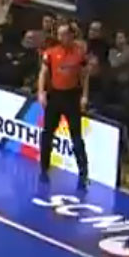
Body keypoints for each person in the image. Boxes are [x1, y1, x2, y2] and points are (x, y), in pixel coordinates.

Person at [36, 23, 90, 190]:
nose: (60, 37)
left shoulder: (79, 53)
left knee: (76, 136)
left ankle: (83, 172)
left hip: (71, 97)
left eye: (64, 34)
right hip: (55, 96)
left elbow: (84, 75)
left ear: (70, 35)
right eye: (59, 34)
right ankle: (44, 168)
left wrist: (84, 96)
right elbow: (43, 73)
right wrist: (41, 92)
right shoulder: (51, 52)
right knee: (47, 133)